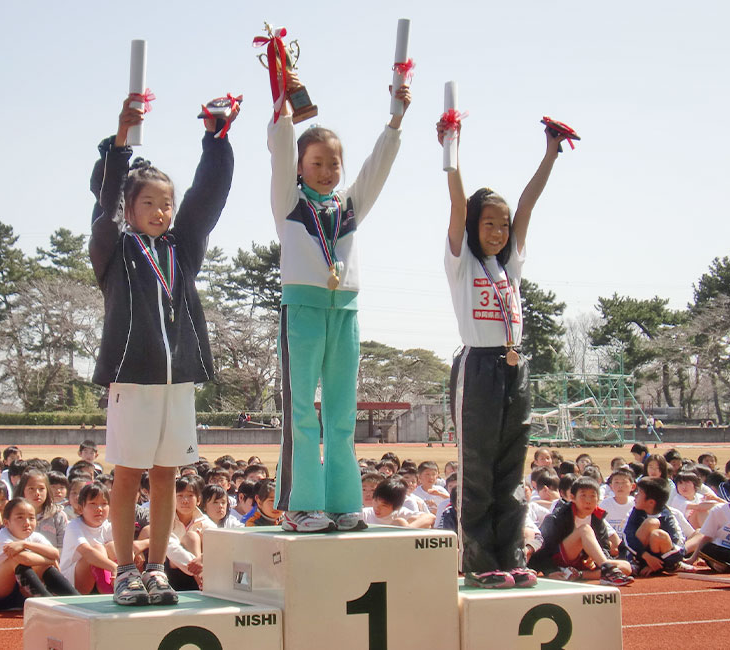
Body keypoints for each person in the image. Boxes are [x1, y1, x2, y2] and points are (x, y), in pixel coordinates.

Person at [88, 91, 238, 607]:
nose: (160, 210)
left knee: (167, 474)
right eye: (148, 202)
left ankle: (156, 568)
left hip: (178, 380)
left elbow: (208, 196)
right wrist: (121, 143)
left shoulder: (183, 247)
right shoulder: (114, 248)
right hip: (133, 377)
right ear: (129, 208)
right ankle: (126, 569)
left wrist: (216, 139)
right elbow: (103, 206)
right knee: (128, 474)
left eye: (165, 203)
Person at [269, 69, 410, 535]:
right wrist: (283, 109)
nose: (327, 172)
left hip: (345, 313)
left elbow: (377, 169)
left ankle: (343, 501)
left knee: (341, 412)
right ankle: (300, 504)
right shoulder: (288, 201)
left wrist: (395, 122)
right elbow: (280, 149)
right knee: (302, 414)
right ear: (299, 167)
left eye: (334, 164)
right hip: (302, 313)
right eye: (317, 163)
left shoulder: (349, 205)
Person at [439, 112, 567, 589]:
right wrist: (451, 153)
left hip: (518, 368)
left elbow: (529, 204)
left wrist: (550, 153)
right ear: (473, 226)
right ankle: (478, 561)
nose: (497, 231)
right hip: (479, 367)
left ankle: (513, 556)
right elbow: (456, 204)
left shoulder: (509, 263)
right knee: (478, 470)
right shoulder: (461, 261)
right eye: (488, 223)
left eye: (503, 225)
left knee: (512, 469)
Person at [0, 498, 78, 611]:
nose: (27, 523)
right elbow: (24, 559)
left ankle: (76, 599)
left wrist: (25, 544)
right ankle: (47, 603)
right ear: (6, 523)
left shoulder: (35, 537)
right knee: (16, 561)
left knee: (41, 564)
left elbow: (55, 553)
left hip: (18, 593)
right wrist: (50, 561)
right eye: (20, 517)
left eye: (31, 518)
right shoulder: (2, 538)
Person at [529, 477, 634, 586]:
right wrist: (550, 571)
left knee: (626, 567)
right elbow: (542, 548)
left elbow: (604, 547)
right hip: (561, 559)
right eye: (583, 496)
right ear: (572, 497)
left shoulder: (597, 517)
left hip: (582, 563)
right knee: (585, 529)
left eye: (593, 496)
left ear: (598, 499)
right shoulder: (559, 516)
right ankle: (607, 571)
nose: (588, 501)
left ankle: (578, 574)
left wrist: (593, 560)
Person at [60, 483, 118, 595]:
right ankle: (108, 592)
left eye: (104, 504)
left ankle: (122, 585)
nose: (99, 509)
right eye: (93, 504)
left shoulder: (108, 527)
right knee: (97, 549)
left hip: (100, 577)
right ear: (81, 508)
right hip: (72, 583)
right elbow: (87, 552)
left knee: (113, 546)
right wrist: (115, 567)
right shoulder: (74, 526)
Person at [623, 477, 688, 576]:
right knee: (651, 523)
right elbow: (628, 538)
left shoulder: (667, 516)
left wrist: (656, 562)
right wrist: (647, 556)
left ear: (651, 502)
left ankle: (668, 566)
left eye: (639, 493)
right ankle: (636, 564)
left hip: (664, 560)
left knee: (658, 533)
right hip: (642, 556)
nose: (635, 495)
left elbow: (678, 544)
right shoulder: (635, 512)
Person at [687, 473, 730, 572]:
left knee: (723, 566)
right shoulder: (719, 510)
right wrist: (692, 558)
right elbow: (706, 537)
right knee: (707, 549)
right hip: (720, 551)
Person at [13, 469, 68, 551]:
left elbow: (62, 547)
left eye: (41, 488)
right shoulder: (14, 515)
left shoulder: (58, 516)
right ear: (23, 490)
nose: (37, 493)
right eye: (31, 488)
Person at [599, 468, 636, 538]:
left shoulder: (635, 504)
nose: (620, 486)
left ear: (633, 486)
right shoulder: (604, 505)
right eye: (616, 482)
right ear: (611, 486)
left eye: (624, 482)